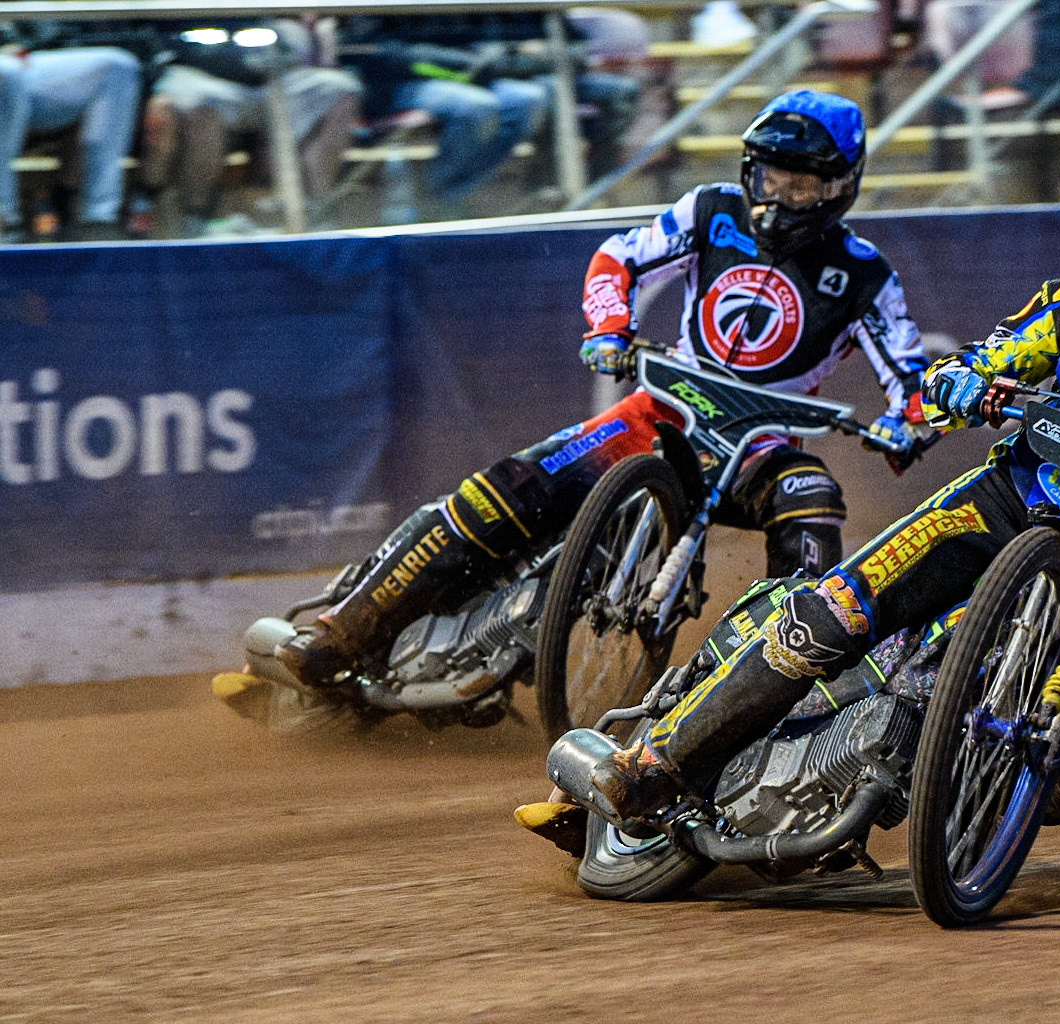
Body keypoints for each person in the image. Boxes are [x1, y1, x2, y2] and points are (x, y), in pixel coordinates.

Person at [569, 159, 1060, 829]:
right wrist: (958, 384)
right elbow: (971, 368)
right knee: (834, 612)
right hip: (1003, 502)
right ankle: (655, 766)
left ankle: (940, 803)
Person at [278, 90, 930, 694]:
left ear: (841, 186)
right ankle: (344, 631)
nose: (777, 200)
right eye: (768, 179)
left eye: (800, 185)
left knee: (812, 498)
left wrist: (910, 423)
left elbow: (910, 378)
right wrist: (610, 326)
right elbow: (618, 258)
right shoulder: (708, 210)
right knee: (506, 490)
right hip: (660, 415)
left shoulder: (865, 275)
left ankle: (776, 692)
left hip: (759, 448)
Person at [139, 19, 362, 237]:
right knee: (200, 103)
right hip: (198, 69)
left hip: (270, 72)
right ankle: (195, 216)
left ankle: (312, 209)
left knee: (339, 89)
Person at [0, 21, 145, 242]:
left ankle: (98, 220)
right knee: (7, 74)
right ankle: (5, 218)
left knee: (118, 66)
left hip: (18, 63)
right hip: (8, 73)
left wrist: (13, 43)